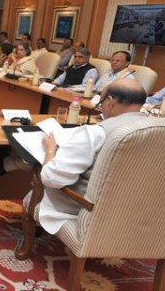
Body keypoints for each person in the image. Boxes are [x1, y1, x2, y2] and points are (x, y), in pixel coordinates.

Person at [29, 79, 147, 234]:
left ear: (110, 102)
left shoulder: (96, 132)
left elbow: (52, 180)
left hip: (88, 208)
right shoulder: (158, 129)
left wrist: (50, 150)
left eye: (101, 102)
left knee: (37, 180)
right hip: (137, 208)